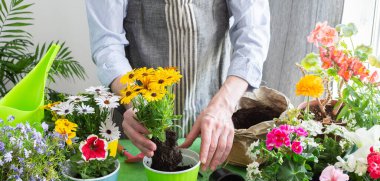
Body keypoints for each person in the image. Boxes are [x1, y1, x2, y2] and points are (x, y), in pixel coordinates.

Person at [85, 0, 270, 171]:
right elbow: (107, 44)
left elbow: (252, 32)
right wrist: (136, 103)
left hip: (213, 117)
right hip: (138, 123)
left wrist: (223, 106)